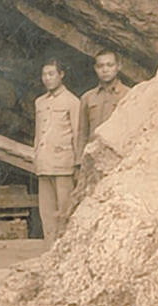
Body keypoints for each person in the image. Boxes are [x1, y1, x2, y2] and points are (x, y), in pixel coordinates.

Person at [33, 58, 80, 244]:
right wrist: (36, 158)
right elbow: (38, 134)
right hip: (44, 164)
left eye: (51, 74)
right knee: (46, 212)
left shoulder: (72, 101)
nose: (47, 78)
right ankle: (49, 247)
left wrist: (77, 165)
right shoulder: (40, 102)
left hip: (63, 165)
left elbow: (77, 134)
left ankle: (65, 248)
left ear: (61, 75)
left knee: (65, 211)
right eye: (44, 74)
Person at [78, 49, 131, 155]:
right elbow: (83, 134)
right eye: (100, 66)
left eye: (110, 65)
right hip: (92, 157)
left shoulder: (129, 95)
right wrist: (79, 160)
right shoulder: (88, 98)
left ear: (118, 66)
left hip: (119, 156)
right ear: (95, 68)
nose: (105, 70)